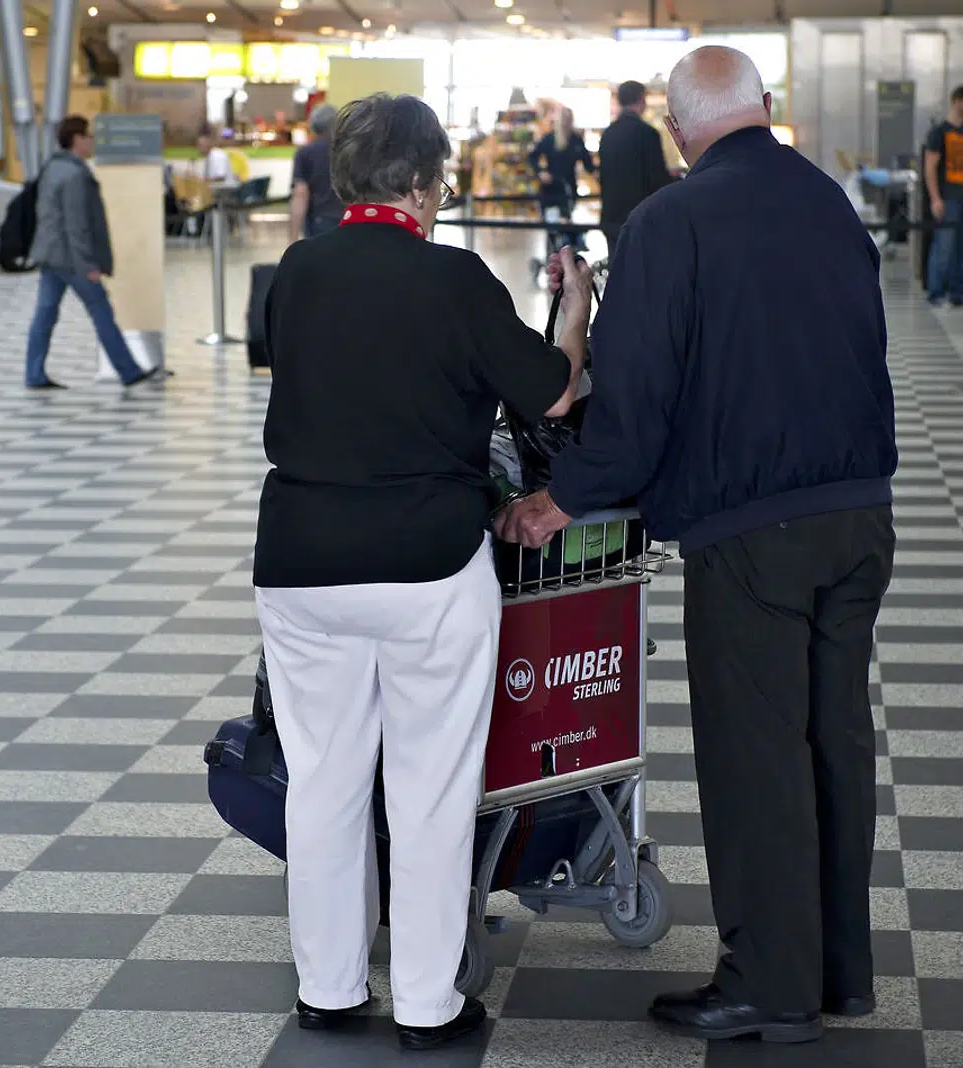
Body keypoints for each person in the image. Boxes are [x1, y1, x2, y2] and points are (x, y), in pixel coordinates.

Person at [497, 45, 897, 1046]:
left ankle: (769, 984)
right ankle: (836, 972)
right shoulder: (829, 203)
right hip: (860, 517)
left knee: (758, 755)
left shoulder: (668, 222)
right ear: (764, 107)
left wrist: (558, 501)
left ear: (678, 130)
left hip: (753, 533)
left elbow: (635, 409)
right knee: (833, 745)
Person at [253, 93, 591, 1050]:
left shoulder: (298, 269)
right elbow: (555, 393)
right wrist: (574, 310)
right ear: (418, 181)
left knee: (323, 779)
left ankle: (328, 988)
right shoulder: (453, 276)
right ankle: (426, 1004)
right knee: (430, 788)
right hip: (427, 563)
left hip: (302, 559)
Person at [24, 115, 158, 391]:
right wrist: (88, 265)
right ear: (77, 139)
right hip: (72, 258)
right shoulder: (75, 175)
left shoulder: (53, 168)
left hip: (50, 254)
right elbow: (77, 225)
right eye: (89, 136)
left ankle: (34, 373)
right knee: (101, 311)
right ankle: (128, 371)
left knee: (45, 314)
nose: (92, 141)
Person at [923, 85, 963, 309]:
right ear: (956, 101)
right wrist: (935, 198)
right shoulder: (939, 132)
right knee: (944, 246)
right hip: (948, 197)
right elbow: (930, 166)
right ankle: (936, 292)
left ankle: (959, 292)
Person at [598, 79, 671, 251]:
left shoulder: (608, 134)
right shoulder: (647, 133)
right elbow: (657, 179)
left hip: (611, 217)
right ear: (641, 99)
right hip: (640, 218)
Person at [529, 107, 595, 255]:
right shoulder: (550, 139)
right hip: (551, 190)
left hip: (568, 191)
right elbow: (533, 156)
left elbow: (588, 164)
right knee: (552, 228)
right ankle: (552, 255)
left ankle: (565, 254)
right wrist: (541, 172)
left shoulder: (576, 140)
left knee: (566, 223)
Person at [290, 104, 344, 241]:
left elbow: (300, 193)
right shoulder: (348, 152)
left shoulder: (305, 153)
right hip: (348, 220)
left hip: (319, 222)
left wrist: (293, 237)